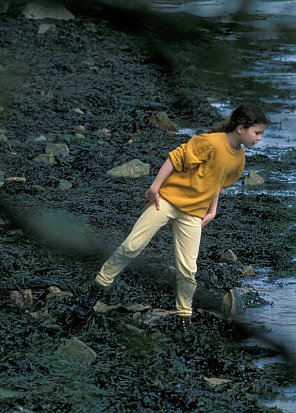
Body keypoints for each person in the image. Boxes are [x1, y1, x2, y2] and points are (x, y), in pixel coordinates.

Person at [73, 104, 269, 332]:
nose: (259, 138)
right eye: (257, 133)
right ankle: (94, 293)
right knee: (131, 246)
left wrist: (213, 209)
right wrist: (154, 189)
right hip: (165, 201)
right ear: (240, 128)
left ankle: (183, 316)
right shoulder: (210, 142)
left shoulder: (239, 159)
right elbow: (174, 159)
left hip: (193, 214)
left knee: (188, 269)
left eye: (261, 134)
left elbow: (218, 182)